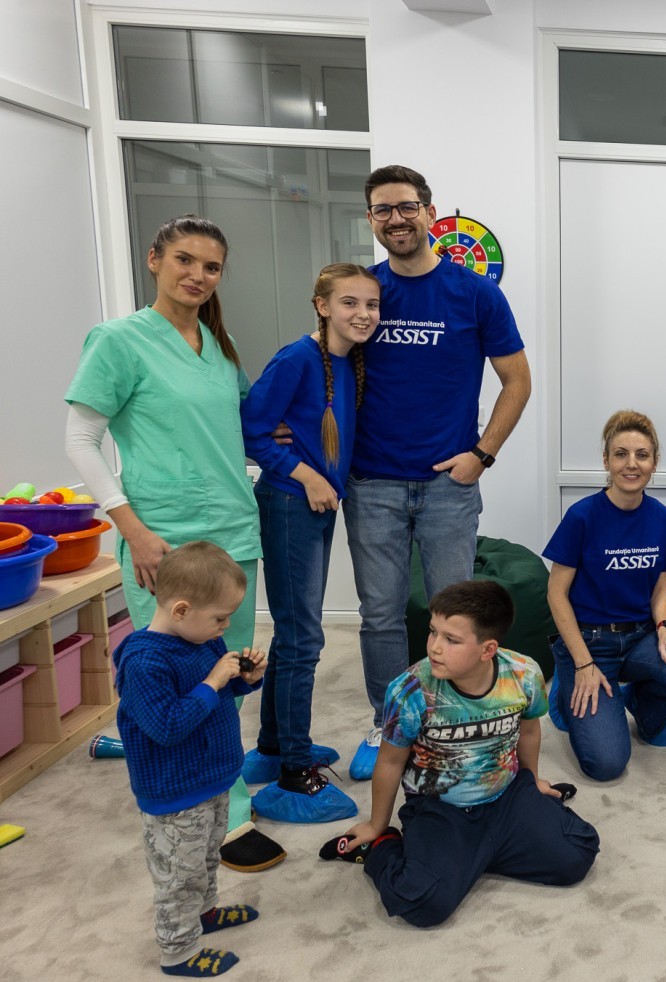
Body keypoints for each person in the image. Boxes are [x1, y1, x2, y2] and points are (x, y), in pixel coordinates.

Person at [65, 215, 285, 872]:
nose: (198, 275)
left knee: (228, 674)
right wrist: (130, 528)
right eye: (184, 259)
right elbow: (81, 440)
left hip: (232, 530)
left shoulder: (219, 344)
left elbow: (242, 426)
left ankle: (227, 795)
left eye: (211, 266)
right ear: (155, 259)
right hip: (163, 539)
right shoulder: (118, 341)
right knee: (172, 681)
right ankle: (206, 812)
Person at [346, 164, 532, 780]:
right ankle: (388, 724)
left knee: (454, 619)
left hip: (448, 487)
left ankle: (449, 722)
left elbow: (517, 381)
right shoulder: (363, 293)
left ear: (429, 212)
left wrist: (482, 455)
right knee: (380, 614)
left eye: (407, 207)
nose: (396, 219)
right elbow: (326, 370)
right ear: (371, 219)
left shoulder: (475, 293)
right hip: (371, 483)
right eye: (383, 210)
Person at [320, 581, 599, 927]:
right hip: (440, 807)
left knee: (577, 854)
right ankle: (386, 849)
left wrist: (532, 780)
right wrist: (377, 826)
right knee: (422, 903)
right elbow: (390, 761)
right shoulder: (410, 690)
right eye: (433, 632)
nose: (435, 647)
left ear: (488, 649)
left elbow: (529, 731)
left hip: (506, 795)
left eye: (451, 640)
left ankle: (470, 857)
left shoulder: (524, 674)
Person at [239, 263, 380, 823]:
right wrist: (306, 475)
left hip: (316, 507)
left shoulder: (347, 361)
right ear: (322, 306)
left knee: (295, 632)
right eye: (349, 303)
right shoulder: (297, 358)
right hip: (290, 505)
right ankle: (296, 772)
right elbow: (252, 430)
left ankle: (274, 747)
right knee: (303, 639)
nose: (363, 314)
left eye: (371, 304)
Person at [113, 541, 267, 978]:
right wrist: (213, 681)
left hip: (213, 779)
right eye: (220, 618)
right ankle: (177, 951)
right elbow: (167, 726)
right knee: (178, 876)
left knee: (205, 858)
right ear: (181, 610)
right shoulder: (144, 663)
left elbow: (218, 696)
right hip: (175, 794)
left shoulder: (201, 640)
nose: (226, 627)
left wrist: (244, 680)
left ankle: (205, 912)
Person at [543, 410, 666, 781]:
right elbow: (556, 594)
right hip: (588, 643)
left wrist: (665, 627)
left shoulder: (662, 518)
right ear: (606, 460)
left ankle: (641, 707)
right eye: (621, 454)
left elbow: (660, 587)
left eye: (642, 455)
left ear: (654, 462)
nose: (631, 464)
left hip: (639, 637)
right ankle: (565, 692)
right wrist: (583, 664)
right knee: (606, 764)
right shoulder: (582, 516)